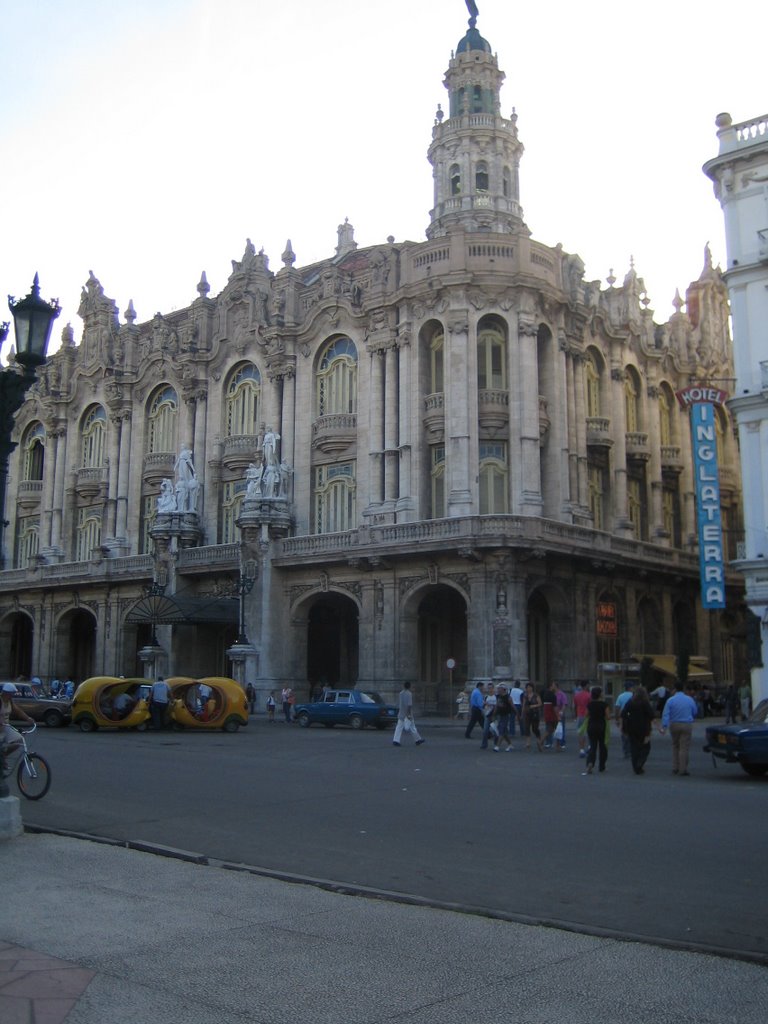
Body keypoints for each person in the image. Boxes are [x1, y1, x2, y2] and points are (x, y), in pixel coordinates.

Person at [660, 681, 698, 775]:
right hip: (686, 724)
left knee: (675, 745)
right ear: (683, 689)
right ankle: (683, 768)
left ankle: (675, 767)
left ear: (675, 689)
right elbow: (695, 711)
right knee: (684, 747)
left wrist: (664, 726)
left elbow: (666, 714)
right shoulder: (689, 699)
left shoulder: (670, 700)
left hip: (674, 724)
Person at [621, 685, 659, 775]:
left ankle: (635, 767)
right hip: (644, 728)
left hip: (631, 727)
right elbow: (651, 715)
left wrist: (628, 720)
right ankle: (640, 762)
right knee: (646, 747)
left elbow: (623, 714)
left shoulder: (630, 702)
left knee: (634, 747)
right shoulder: (645, 703)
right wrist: (658, 726)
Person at [1, 682, 34, 776]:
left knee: (19, 740)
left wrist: (28, 718)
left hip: (6, 726)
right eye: (12, 693)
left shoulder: (10, 701)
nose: (14, 694)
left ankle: (3, 757)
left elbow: (18, 711)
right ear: (6, 692)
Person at [583, 685, 610, 775]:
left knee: (592, 746)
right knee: (603, 746)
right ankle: (602, 766)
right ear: (600, 695)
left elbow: (586, 715)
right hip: (601, 726)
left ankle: (590, 763)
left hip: (591, 726)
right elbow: (608, 716)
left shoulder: (590, 704)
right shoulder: (604, 704)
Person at [392, 681, 424, 746]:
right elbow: (409, 705)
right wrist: (409, 714)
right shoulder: (409, 694)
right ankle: (417, 739)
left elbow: (401, 703)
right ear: (409, 686)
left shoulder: (401, 693)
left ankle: (396, 740)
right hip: (407, 713)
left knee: (399, 727)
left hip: (401, 712)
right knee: (412, 727)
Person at [614, 681, 634, 760]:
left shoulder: (620, 696)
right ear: (630, 688)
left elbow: (617, 708)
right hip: (632, 717)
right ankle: (632, 750)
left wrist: (616, 719)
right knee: (632, 734)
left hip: (623, 717)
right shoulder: (633, 696)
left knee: (624, 734)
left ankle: (626, 751)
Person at [490, 684, 514, 752]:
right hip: (500, 715)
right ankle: (510, 744)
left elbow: (513, 706)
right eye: (498, 689)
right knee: (504, 732)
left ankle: (497, 746)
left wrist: (517, 714)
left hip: (506, 715)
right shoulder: (499, 697)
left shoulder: (508, 697)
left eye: (499, 689)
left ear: (504, 689)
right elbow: (497, 706)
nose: (498, 690)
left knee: (501, 730)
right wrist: (493, 715)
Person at [522, 682, 544, 752]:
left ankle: (539, 741)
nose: (528, 689)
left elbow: (540, 703)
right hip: (527, 713)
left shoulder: (536, 695)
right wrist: (522, 713)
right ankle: (528, 743)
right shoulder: (525, 696)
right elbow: (523, 705)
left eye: (530, 687)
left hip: (535, 713)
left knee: (535, 728)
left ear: (532, 688)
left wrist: (533, 706)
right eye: (527, 687)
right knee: (527, 727)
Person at [573, 681, 591, 758]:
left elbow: (575, 706)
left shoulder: (577, 695)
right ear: (586, 685)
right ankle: (590, 747)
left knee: (581, 733)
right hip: (588, 715)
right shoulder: (589, 695)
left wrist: (575, 715)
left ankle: (581, 750)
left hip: (579, 715)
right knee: (590, 732)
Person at [480, 683, 497, 750]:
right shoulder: (486, 697)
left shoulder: (496, 697)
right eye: (488, 688)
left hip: (494, 715)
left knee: (495, 731)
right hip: (487, 714)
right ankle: (484, 744)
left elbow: (497, 705)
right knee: (485, 730)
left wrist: (490, 704)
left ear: (493, 688)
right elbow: (483, 706)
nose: (490, 689)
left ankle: (496, 744)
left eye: (491, 688)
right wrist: (484, 705)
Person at [541, 682, 557, 748]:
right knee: (552, 729)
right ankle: (541, 741)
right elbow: (554, 707)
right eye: (554, 685)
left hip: (546, 712)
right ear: (551, 686)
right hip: (551, 713)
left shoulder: (545, 694)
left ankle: (547, 742)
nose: (555, 687)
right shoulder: (552, 695)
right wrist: (558, 715)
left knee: (549, 728)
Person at [554, 681, 568, 750]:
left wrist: (561, 711)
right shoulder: (553, 694)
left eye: (553, 685)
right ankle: (557, 743)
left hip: (560, 712)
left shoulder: (561, 694)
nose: (552, 687)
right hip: (554, 713)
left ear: (556, 686)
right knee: (555, 728)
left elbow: (564, 704)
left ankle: (562, 742)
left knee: (561, 728)